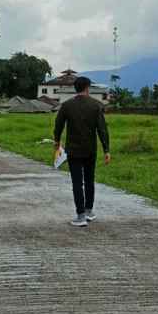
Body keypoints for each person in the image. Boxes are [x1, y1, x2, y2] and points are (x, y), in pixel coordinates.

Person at [54, 76, 111, 227]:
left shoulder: (67, 105)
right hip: (91, 150)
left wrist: (57, 141)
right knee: (89, 180)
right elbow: (102, 129)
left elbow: (58, 125)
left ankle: (80, 216)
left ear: (75, 88)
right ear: (87, 88)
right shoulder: (95, 105)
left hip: (73, 150)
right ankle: (89, 211)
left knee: (77, 183)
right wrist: (106, 150)